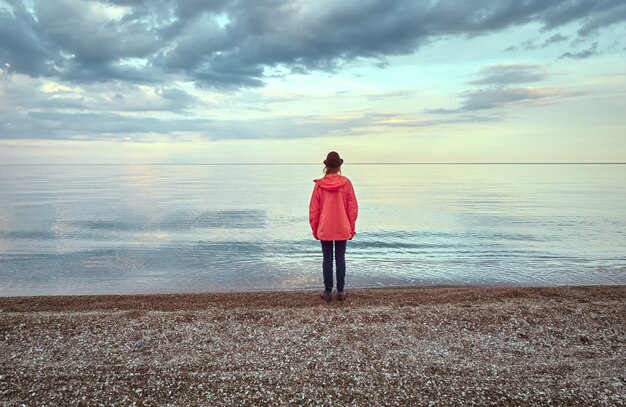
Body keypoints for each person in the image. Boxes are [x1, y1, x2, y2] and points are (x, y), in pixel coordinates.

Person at [309, 151, 358, 302]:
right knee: (340, 258)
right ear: (339, 166)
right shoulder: (346, 183)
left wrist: (315, 227)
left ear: (326, 167)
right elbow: (352, 208)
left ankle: (328, 292)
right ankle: (341, 292)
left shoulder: (320, 185)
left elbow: (314, 209)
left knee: (327, 259)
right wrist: (351, 226)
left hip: (325, 227)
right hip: (342, 226)